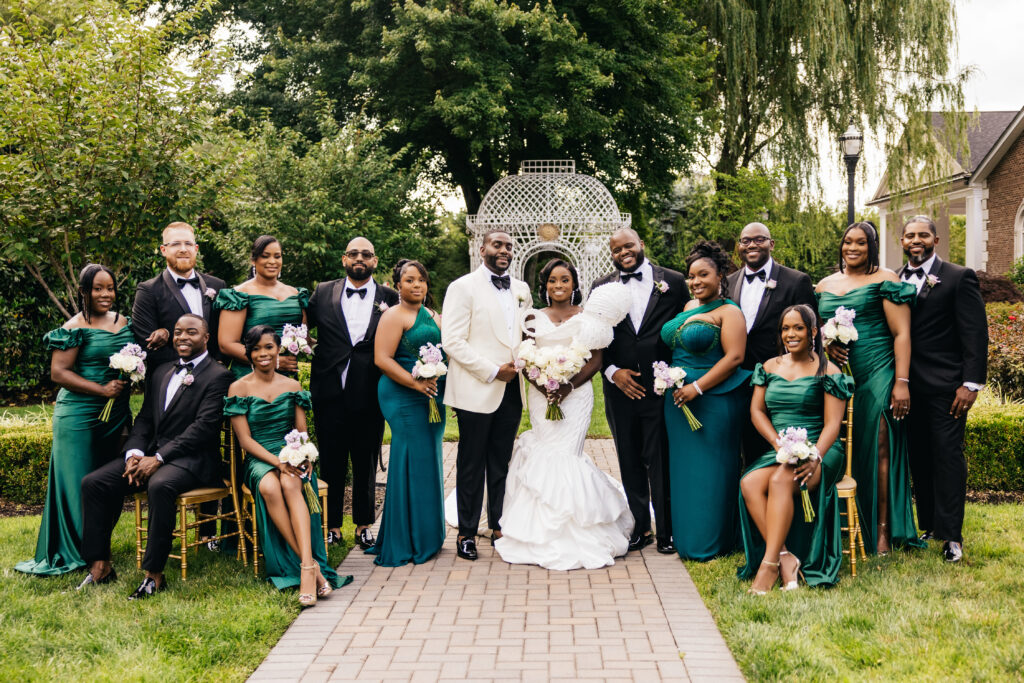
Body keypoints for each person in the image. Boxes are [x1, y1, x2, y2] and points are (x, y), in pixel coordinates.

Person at [77, 313, 233, 598]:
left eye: (191, 332)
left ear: (206, 338)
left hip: (195, 461)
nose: (183, 337)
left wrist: (158, 458)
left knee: (160, 485)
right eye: (178, 332)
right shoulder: (161, 370)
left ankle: (154, 575)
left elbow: (203, 429)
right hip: (153, 456)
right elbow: (145, 419)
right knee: (94, 483)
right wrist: (134, 453)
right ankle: (100, 566)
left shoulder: (218, 375)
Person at [494, 260, 634, 570]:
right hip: (541, 393)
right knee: (547, 448)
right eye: (553, 280)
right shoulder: (531, 318)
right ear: (544, 286)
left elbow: (596, 358)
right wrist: (545, 387)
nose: (559, 285)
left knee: (568, 452)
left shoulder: (588, 318)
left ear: (574, 284)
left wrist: (567, 386)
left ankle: (580, 526)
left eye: (566, 279)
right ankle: (540, 528)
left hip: (577, 393)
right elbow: (523, 357)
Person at [15, 264, 133, 576]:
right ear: (83, 292)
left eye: (109, 288)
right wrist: (101, 389)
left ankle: (97, 543)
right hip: (78, 414)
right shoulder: (72, 328)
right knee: (77, 482)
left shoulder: (124, 322)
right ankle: (78, 551)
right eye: (97, 289)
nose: (105, 294)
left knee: (110, 480)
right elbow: (59, 373)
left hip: (116, 413)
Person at [817, 222, 924, 554]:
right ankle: (845, 524)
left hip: (878, 371)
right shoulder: (824, 285)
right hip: (837, 374)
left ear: (872, 247)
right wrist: (825, 343)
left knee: (878, 444)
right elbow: (812, 330)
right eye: (848, 242)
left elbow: (902, 334)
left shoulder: (886, 280)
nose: (853, 248)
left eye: (861, 243)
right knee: (842, 445)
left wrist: (901, 383)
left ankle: (881, 533)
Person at [223, 325, 347, 604]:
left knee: (292, 482)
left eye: (268, 347)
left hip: (289, 453)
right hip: (259, 457)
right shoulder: (238, 387)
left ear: (278, 349)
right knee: (269, 487)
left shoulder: (292, 386)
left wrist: (305, 455)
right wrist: (277, 463)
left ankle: (306, 567)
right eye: (256, 348)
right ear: (248, 353)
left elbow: (301, 432)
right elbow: (245, 441)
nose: (263, 353)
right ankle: (312, 567)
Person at [738, 305, 854, 592]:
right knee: (749, 483)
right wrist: (780, 444)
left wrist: (814, 456)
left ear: (813, 332)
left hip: (821, 450)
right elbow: (756, 412)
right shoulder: (769, 367)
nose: (791, 334)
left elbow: (832, 425)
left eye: (798, 328)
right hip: (781, 448)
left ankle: (768, 567)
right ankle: (785, 557)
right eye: (786, 328)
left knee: (779, 480)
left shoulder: (829, 370)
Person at [593, 228, 689, 554]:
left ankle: (667, 531)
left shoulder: (674, 282)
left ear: (641, 244)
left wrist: (675, 374)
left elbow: (685, 327)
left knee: (660, 459)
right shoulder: (600, 288)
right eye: (617, 249)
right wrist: (612, 372)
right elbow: (594, 338)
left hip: (660, 388)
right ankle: (640, 529)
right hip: (620, 390)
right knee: (629, 459)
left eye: (629, 246)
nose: (624, 253)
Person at [899, 216, 988, 563]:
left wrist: (970, 383)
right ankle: (931, 525)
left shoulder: (957, 277)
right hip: (906, 388)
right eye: (910, 235)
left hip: (947, 389)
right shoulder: (894, 277)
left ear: (935, 240)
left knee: (948, 457)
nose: (916, 240)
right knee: (918, 457)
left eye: (923, 235)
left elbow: (975, 333)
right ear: (902, 240)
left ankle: (952, 536)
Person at [442, 229, 530, 561]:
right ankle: (466, 533)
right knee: (470, 462)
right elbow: (452, 341)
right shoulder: (462, 287)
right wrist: (493, 370)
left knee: (501, 462)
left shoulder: (521, 290)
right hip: (477, 387)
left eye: (509, 246)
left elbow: (525, 335)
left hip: (512, 389)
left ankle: (498, 526)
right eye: (498, 244)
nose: (504, 250)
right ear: (483, 250)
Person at [660, 241, 750, 560]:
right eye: (691, 276)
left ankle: (713, 541)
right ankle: (689, 538)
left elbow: (734, 357)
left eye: (703, 275)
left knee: (713, 471)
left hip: (714, 400)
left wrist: (696, 388)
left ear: (721, 275)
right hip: (680, 402)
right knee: (685, 471)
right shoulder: (687, 308)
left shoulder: (730, 312)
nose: (696, 282)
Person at [307, 237, 399, 550]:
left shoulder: (390, 296)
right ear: (344, 258)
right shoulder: (322, 292)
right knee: (331, 461)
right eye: (354, 253)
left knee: (366, 460)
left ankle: (363, 525)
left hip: (371, 390)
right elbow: (301, 329)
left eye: (367, 254)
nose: (360, 258)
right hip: (328, 389)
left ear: (375, 261)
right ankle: (332, 526)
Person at [368, 260, 447, 566]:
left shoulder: (430, 314)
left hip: (431, 396)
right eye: (410, 280)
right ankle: (407, 539)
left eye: (422, 280)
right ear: (397, 285)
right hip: (403, 395)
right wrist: (416, 384)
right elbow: (382, 359)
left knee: (428, 460)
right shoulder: (393, 315)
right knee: (410, 461)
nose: (417, 285)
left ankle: (429, 535)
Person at [725, 222, 816, 465]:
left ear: (771, 244)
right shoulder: (729, 282)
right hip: (735, 377)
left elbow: (810, 336)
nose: (752, 244)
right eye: (746, 241)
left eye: (759, 239)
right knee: (738, 445)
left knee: (776, 449)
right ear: (739, 247)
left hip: (779, 381)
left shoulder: (797, 281)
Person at [132, 222, 226, 368]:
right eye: (176, 244)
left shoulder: (218, 286)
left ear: (196, 249)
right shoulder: (148, 291)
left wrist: (214, 368)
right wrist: (195, 367)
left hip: (213, 379)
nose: (183, 249)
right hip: (168, 377)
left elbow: (224, 335)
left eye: (188, 244)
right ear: (163, 250)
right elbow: (147, 346)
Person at [216, 235, 309, 379]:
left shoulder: (296, 293)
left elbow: (305, 336)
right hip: (251, 376)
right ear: (253, 260)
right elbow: (227, 344)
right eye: (265, 256)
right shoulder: (239, 295)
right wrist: (272, 361)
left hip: (287, 376)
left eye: (277, 256)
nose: (272, 261)